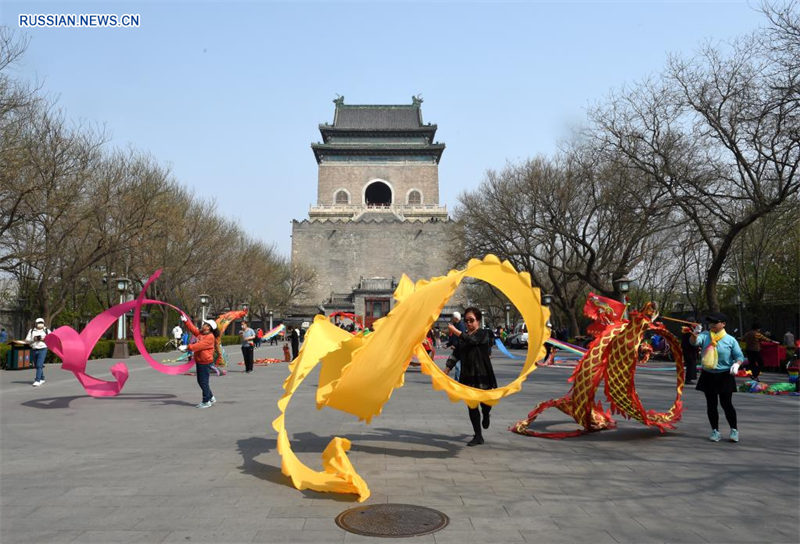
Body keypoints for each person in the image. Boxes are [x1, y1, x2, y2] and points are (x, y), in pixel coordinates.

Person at [445, 307, 497, 447]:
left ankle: (486, 414)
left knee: (485, 404)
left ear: (478, 321)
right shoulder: (464, 337)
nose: (468, 323)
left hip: (483, 375)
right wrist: (447, 367)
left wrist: (456, 332)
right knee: (472, 406)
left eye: (471, 320)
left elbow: (472, 341)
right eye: (466, 320)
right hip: (468, 376)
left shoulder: (484, 334)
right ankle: (478, 436)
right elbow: (457, 353)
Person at [690, 312, 744, 442]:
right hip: (708, 374)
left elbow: (739, 356)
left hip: (725, 375)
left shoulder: (730, 339)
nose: (712, 325)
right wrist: (695, 332)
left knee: (727, 404)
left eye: (715, 322)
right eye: (710, 322)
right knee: (711, 404)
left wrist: (737, 364)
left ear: (723, 324)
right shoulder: (705, 336)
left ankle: (734, 430)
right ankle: (715, 431)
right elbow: (694, 342)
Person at [180, 316, 218, 408]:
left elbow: (199, 345)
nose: (203, 325)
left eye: (205, 324)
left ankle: (206, 401)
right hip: (200, 360)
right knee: (202, 381)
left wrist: (187, 347)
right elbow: (193, 329)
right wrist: (186, 321)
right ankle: (211, 397)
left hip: (205, 362)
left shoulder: (210, 337)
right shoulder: (201, 333)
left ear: (209, 327)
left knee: (203, 381)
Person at [26, 318, 51, 386]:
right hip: (34, 349)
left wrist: (44, 339)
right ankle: (42, 378)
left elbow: (51, 339)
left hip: (43, 349)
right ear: (36, 323)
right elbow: (27, 340)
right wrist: (34, 339)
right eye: (39, 322)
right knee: (37, 365)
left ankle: (37, 380)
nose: (40, 324)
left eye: (41, 322)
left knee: (39, 365)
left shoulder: (47, 330)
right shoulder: (31, 331)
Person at [446, 311, 466, 381]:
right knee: (449, 364)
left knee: (457, 366)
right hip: (457, 349)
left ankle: (458, 381)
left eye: (453, 318)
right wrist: (448, 344)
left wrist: (455, 345)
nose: (452, 319)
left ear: (456, 318)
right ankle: (456, 380)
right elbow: (453, 337)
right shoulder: (456, 325)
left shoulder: (461, 325)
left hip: (461, 349)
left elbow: (462, 337)